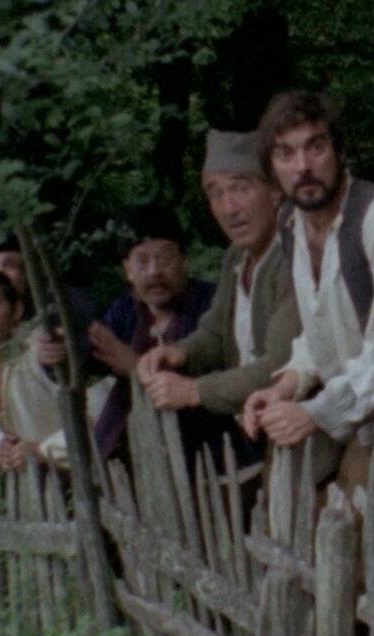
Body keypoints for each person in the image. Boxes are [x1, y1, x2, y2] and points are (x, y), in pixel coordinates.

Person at [242, 90, 374, 499]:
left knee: (360, 515)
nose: (303, 167)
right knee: (283, 492)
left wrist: (314, 413)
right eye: (286, 154)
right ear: (272, 170)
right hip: (344, 404)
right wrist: (287, 385)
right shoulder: (292, 224)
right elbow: (322, 328)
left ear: (340, 151)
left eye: (316, 147)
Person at [137, 129, 300, 465]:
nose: (229, 208)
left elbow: (280, 365)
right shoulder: (236, 257)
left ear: (274, 191)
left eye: (241, 188)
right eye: (216, 193)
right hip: (254, 432)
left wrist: (194, 391)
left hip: (299, 434)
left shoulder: (294, 254)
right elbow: (214, 332)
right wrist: (180, 353)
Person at [43, 204, 226, 466]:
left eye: (164, 258)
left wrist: (136, 367)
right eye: (141, 261)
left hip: (205, 454)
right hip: (132, 455)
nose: (154, 271)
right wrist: (58, 353)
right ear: (127, 270)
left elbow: (219, 384)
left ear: (185, 262)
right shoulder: (126, 310)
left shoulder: (213, 303)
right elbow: (84, 358)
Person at [0, 262, 83, 470]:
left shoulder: (44, 347)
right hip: (35, 482)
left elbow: (97, 412)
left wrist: (43, 451)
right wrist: (0, 444)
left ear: (16, 310)